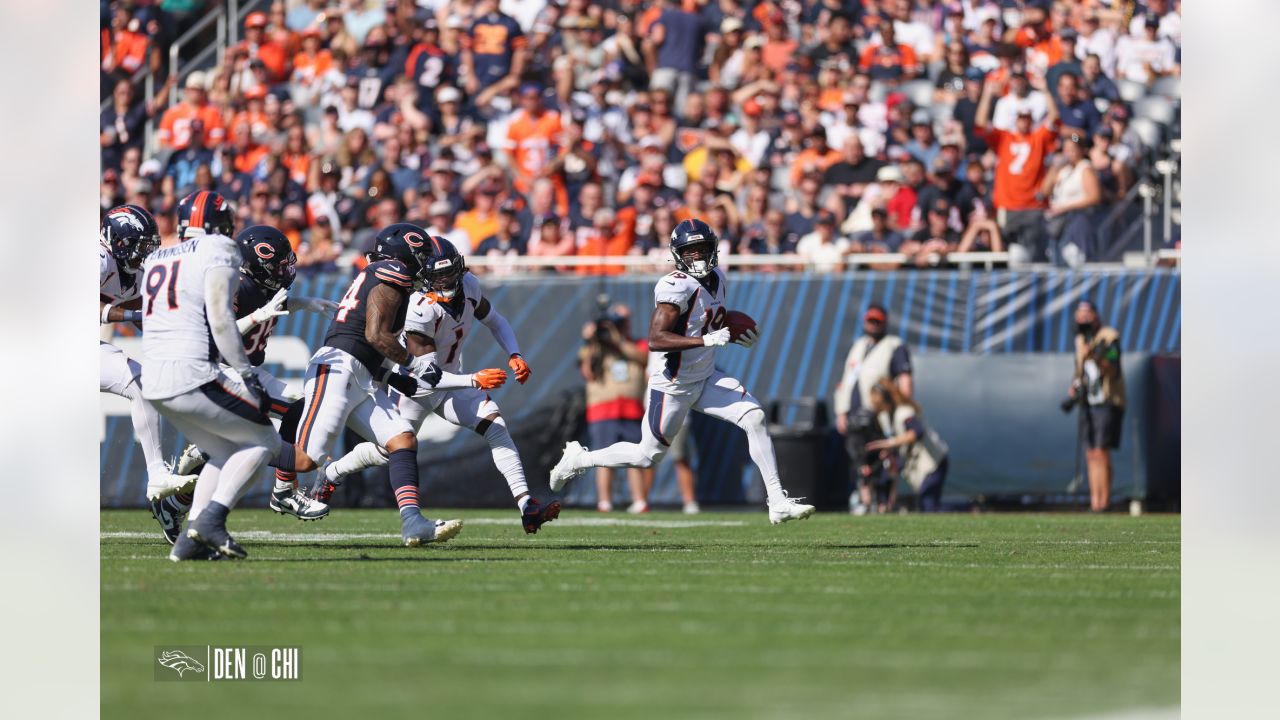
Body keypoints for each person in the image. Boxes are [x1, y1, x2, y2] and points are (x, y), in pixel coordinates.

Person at [549, 219, 815, 525]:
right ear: (678, 255)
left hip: (704, 376)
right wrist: (705, 339)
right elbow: (655, 339)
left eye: (703, 249)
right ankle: (580, 459)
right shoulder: (676, 285)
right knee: (647, 456)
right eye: (691, 252)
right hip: (672, 385)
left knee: (754, 416)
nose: (698, 257)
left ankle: (777, 501)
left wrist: (734, 328)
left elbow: (709, 317)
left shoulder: (718, 276)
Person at [323, 237, 559, 534]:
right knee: (388, 450)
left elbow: (495, 320)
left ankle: (527, 506)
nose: (445, 281)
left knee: (495, 424)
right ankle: (332, 472)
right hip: (415, 389)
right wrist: (473, 380)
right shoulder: (420, 307)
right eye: (438, 276)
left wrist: (515, 353)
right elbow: (427, 375)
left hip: (450, 380)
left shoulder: (470, 284)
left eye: (450, 274)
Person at [293, 223, 503, 546]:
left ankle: (413, 522)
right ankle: (240, 450)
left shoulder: (392, 278)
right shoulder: (391, 272)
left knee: (402, 439)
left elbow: (377, 349)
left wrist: (397, 376)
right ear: (403, 255)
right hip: (339, 369)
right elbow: (376, 336)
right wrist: (415, 364)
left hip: (364, 374)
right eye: (420, 255)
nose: (425, 263)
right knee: (305, 460)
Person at [139, 198, 282, 561]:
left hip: (154, 380)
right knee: (265, 439)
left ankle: (189, 542)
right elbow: (220, 320)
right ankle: (211, 521)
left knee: (224, 450)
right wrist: (248, 375)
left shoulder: (159, 256)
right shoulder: (218, 250)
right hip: (191, 373)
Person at [99, 205, 200, 510]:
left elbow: (149, 315)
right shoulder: (99, 258)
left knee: (142, 383)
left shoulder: (135, 272)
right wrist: (132, 313)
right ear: (118, 241)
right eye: (140, 246)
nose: (144, 254)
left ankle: (157, 474)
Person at [833, 305, 914, 515]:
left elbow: (905, 383)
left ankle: (886, 505)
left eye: (877, 321)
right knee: (860, 461)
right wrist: (841, 411)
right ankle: (865, 501)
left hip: (880, 417)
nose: (873, 325)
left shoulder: (893, 345)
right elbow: (846, 382)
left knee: (885, 461)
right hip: (856, 417)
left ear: (885, 322)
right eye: (870, 320)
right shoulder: (859, 346)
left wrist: (900, 409)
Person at [975, 73, 1061, 265]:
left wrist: (1046, 91)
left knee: (1035, 255)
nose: (1023, 122)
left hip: (1033, 206)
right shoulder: (1004, 138)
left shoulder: (1038, 139)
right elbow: (980, 124)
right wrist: (987, 94)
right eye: (1020, 118)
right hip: (1009, 205)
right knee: (1011, 255)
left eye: (1027, 118)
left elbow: (1055, 120)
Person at [579, 306, 650, 513]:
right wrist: (591, 341)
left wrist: (618, 339)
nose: (620, 325)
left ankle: (639, 500)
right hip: (602, 410)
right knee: (603, 457)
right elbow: (588, 372)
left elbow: (643, 358)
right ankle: (604, 501)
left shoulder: (638, 344)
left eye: (623, 321)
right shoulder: (596, 348)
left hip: (631, 409)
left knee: (634, 457)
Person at [1066, 300, 1125, 512]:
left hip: (1107, 401)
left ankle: (1104, 502)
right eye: (1079, 314)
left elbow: (1112, 365)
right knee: (1090, 452)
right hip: (1088, 403)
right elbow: (1080, 369)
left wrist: (1095, 355)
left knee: (1101, 451)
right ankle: (1095, 501)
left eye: (1087, 313)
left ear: (1096, 315)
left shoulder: (1108, 336)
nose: (1082, 318)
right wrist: (1074, 386)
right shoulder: (1080, 340)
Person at [865, 379, 950, 513]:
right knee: (926, 505)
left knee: (929, 504)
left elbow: (917, 432)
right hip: (922, 467)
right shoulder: (886, 417)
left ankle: (964, 516)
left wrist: (891, 443)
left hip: (934, 463)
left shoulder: (904, 412)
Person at [1042, 132, 1102, 267]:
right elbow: (1045, 190)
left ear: (1081, 150)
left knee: (1074, 258)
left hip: (1078, 220)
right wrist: (1054, 167)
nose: (1069, 153)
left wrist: (1065, 207)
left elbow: (1094, 197)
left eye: (1072, 149)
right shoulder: (1065, 170)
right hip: (1060, 222)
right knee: (1058, 259)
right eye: (1066, 149)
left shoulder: (1085, 168)